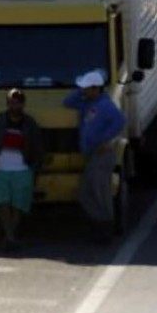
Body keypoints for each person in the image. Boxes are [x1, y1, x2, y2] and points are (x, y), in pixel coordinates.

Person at [64, 71, 125, 242]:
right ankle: (100, 223)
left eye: (86, 88)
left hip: (102, 155)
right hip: (92, 155)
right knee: (86, 193)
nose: (83, 91)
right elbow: (67, 102)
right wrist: (80, 91)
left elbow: (120, 121)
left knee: (100, 192)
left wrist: (106, 141)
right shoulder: (88, 104)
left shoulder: (105, 105)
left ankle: (105, 227)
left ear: (95, 88)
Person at [0, 89, 44, 249]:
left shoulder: (30, 124)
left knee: (19, 203)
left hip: (22, 169)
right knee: (2, 201)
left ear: (23, 104)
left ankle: (9, 236)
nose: (14, 106)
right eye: (11, 103)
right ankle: (10, 236)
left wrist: (34, 167)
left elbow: (37, 148)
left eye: (17, 103)